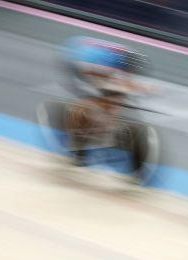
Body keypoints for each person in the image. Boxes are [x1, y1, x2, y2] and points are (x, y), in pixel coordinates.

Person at [61, 36, 151, 164]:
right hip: (76, 61)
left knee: (115, 95)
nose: (131, 73)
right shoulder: (104, 62)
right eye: (130, 71)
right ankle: (78, 141)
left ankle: (104, 131)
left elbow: (125, 81)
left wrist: (141, 88)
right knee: (94, 99)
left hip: (95, 58)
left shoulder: (125, 56)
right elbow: (101, 81)